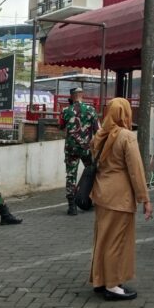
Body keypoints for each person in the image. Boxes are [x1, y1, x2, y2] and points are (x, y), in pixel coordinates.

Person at [89, 98, 152, 300]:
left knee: (103, 239)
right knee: (117, 241)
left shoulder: (100, 134)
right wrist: (145, 198)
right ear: (125, 113)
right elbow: (136, 170)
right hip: (120, 197)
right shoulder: (126, 136)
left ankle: (100, 280)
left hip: (101, 193)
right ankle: (113, 285)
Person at [60, 87, 99, 216]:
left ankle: (72, 206)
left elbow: (60, 126)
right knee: (93, 171)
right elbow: (98, 130)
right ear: (82, 95)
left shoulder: (65, 110)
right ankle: (89, 199)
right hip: (86, 148)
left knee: (71, 175)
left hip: (71, 148)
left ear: (71, 96)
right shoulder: (91, 110)